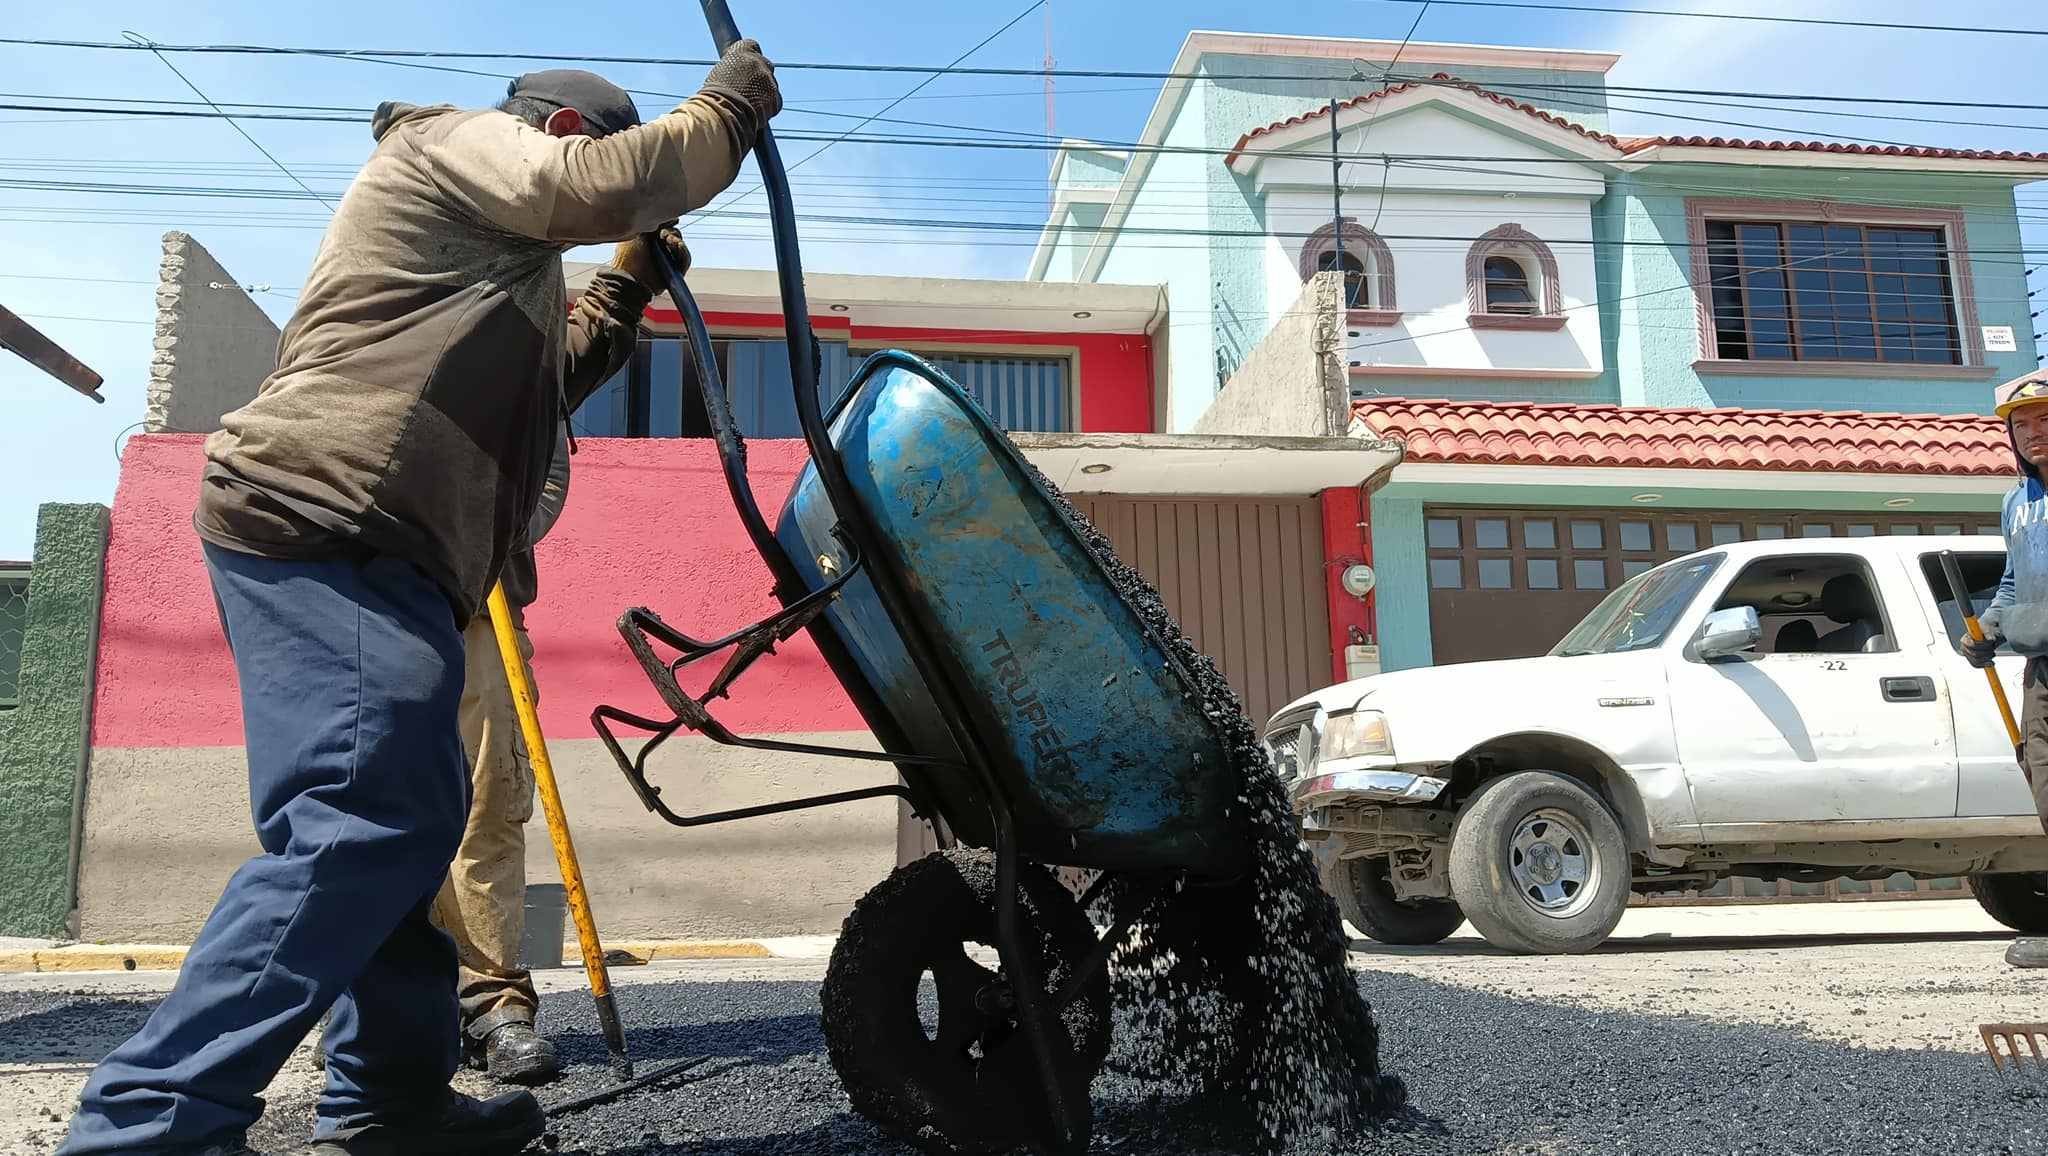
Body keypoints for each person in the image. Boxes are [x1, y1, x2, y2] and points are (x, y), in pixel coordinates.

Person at [58, 45, 781, 1156]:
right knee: (360, 819)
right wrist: (728, 104)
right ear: (562, 133)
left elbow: (545, 378)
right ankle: (146, 1124)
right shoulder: (443, 143)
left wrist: (625, 284)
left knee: (405, 824)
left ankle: (388, 1101)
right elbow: (594, 186)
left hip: (389, 552)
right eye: (595, 154)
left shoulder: (496, 259)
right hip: (327, 515)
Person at [431, 423, 570, 1087]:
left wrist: (482, 514)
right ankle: (371, 1010)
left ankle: (492, 1003)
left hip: (482, 612)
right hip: (372, 604)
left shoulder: (522, 354)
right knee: (368, 813)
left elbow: (548, 485)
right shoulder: (366, 331)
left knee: (485, 810)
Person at [1960, 371, 2048, 970]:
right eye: (2022, 425)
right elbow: (2016, 578)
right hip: (2041, 668)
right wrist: (1991, 625)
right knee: (2044, 781)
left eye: (2045, 420)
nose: (2033, 433)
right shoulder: (2017, 503)